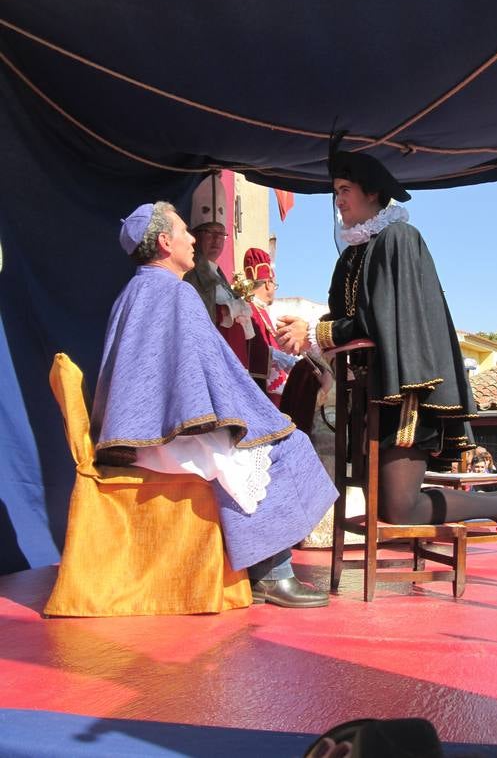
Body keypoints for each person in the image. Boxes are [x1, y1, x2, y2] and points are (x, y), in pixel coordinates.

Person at [275, 139, 497, 574]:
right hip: (372, 398)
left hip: (406, 393)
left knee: (399, 506)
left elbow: (379, 322)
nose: (338, 201)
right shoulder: (354, 253)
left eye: (344, 190)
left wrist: (315, 331)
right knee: (392, 506)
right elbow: (347, 317)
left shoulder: (398, 238)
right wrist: (311, 334)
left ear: (372, 191)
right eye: (335, 192)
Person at [90, 201, 338, 608]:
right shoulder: (175, 293)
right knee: (282, 446)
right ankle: (271, 574)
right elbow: (209, 373)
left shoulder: (133, 291)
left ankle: (260, 565)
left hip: (139, 434)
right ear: (166, 242)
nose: (193, 239)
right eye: (186, 231)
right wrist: (259, 417)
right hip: (169, 438)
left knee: (260, 442)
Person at [183, 174, 253, 367]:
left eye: (220, 234)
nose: (216, 240)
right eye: (209, 233)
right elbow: (195, 319)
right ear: (196, 236)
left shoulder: (220, 275)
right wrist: (227, 311)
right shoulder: (190, 274)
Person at [243, 247, 297, 406]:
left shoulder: (260, 309)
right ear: (268, 283)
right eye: (275, 284)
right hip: (261, 390)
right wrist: (283, 359)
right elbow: (254, 347)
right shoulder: (249, 308)